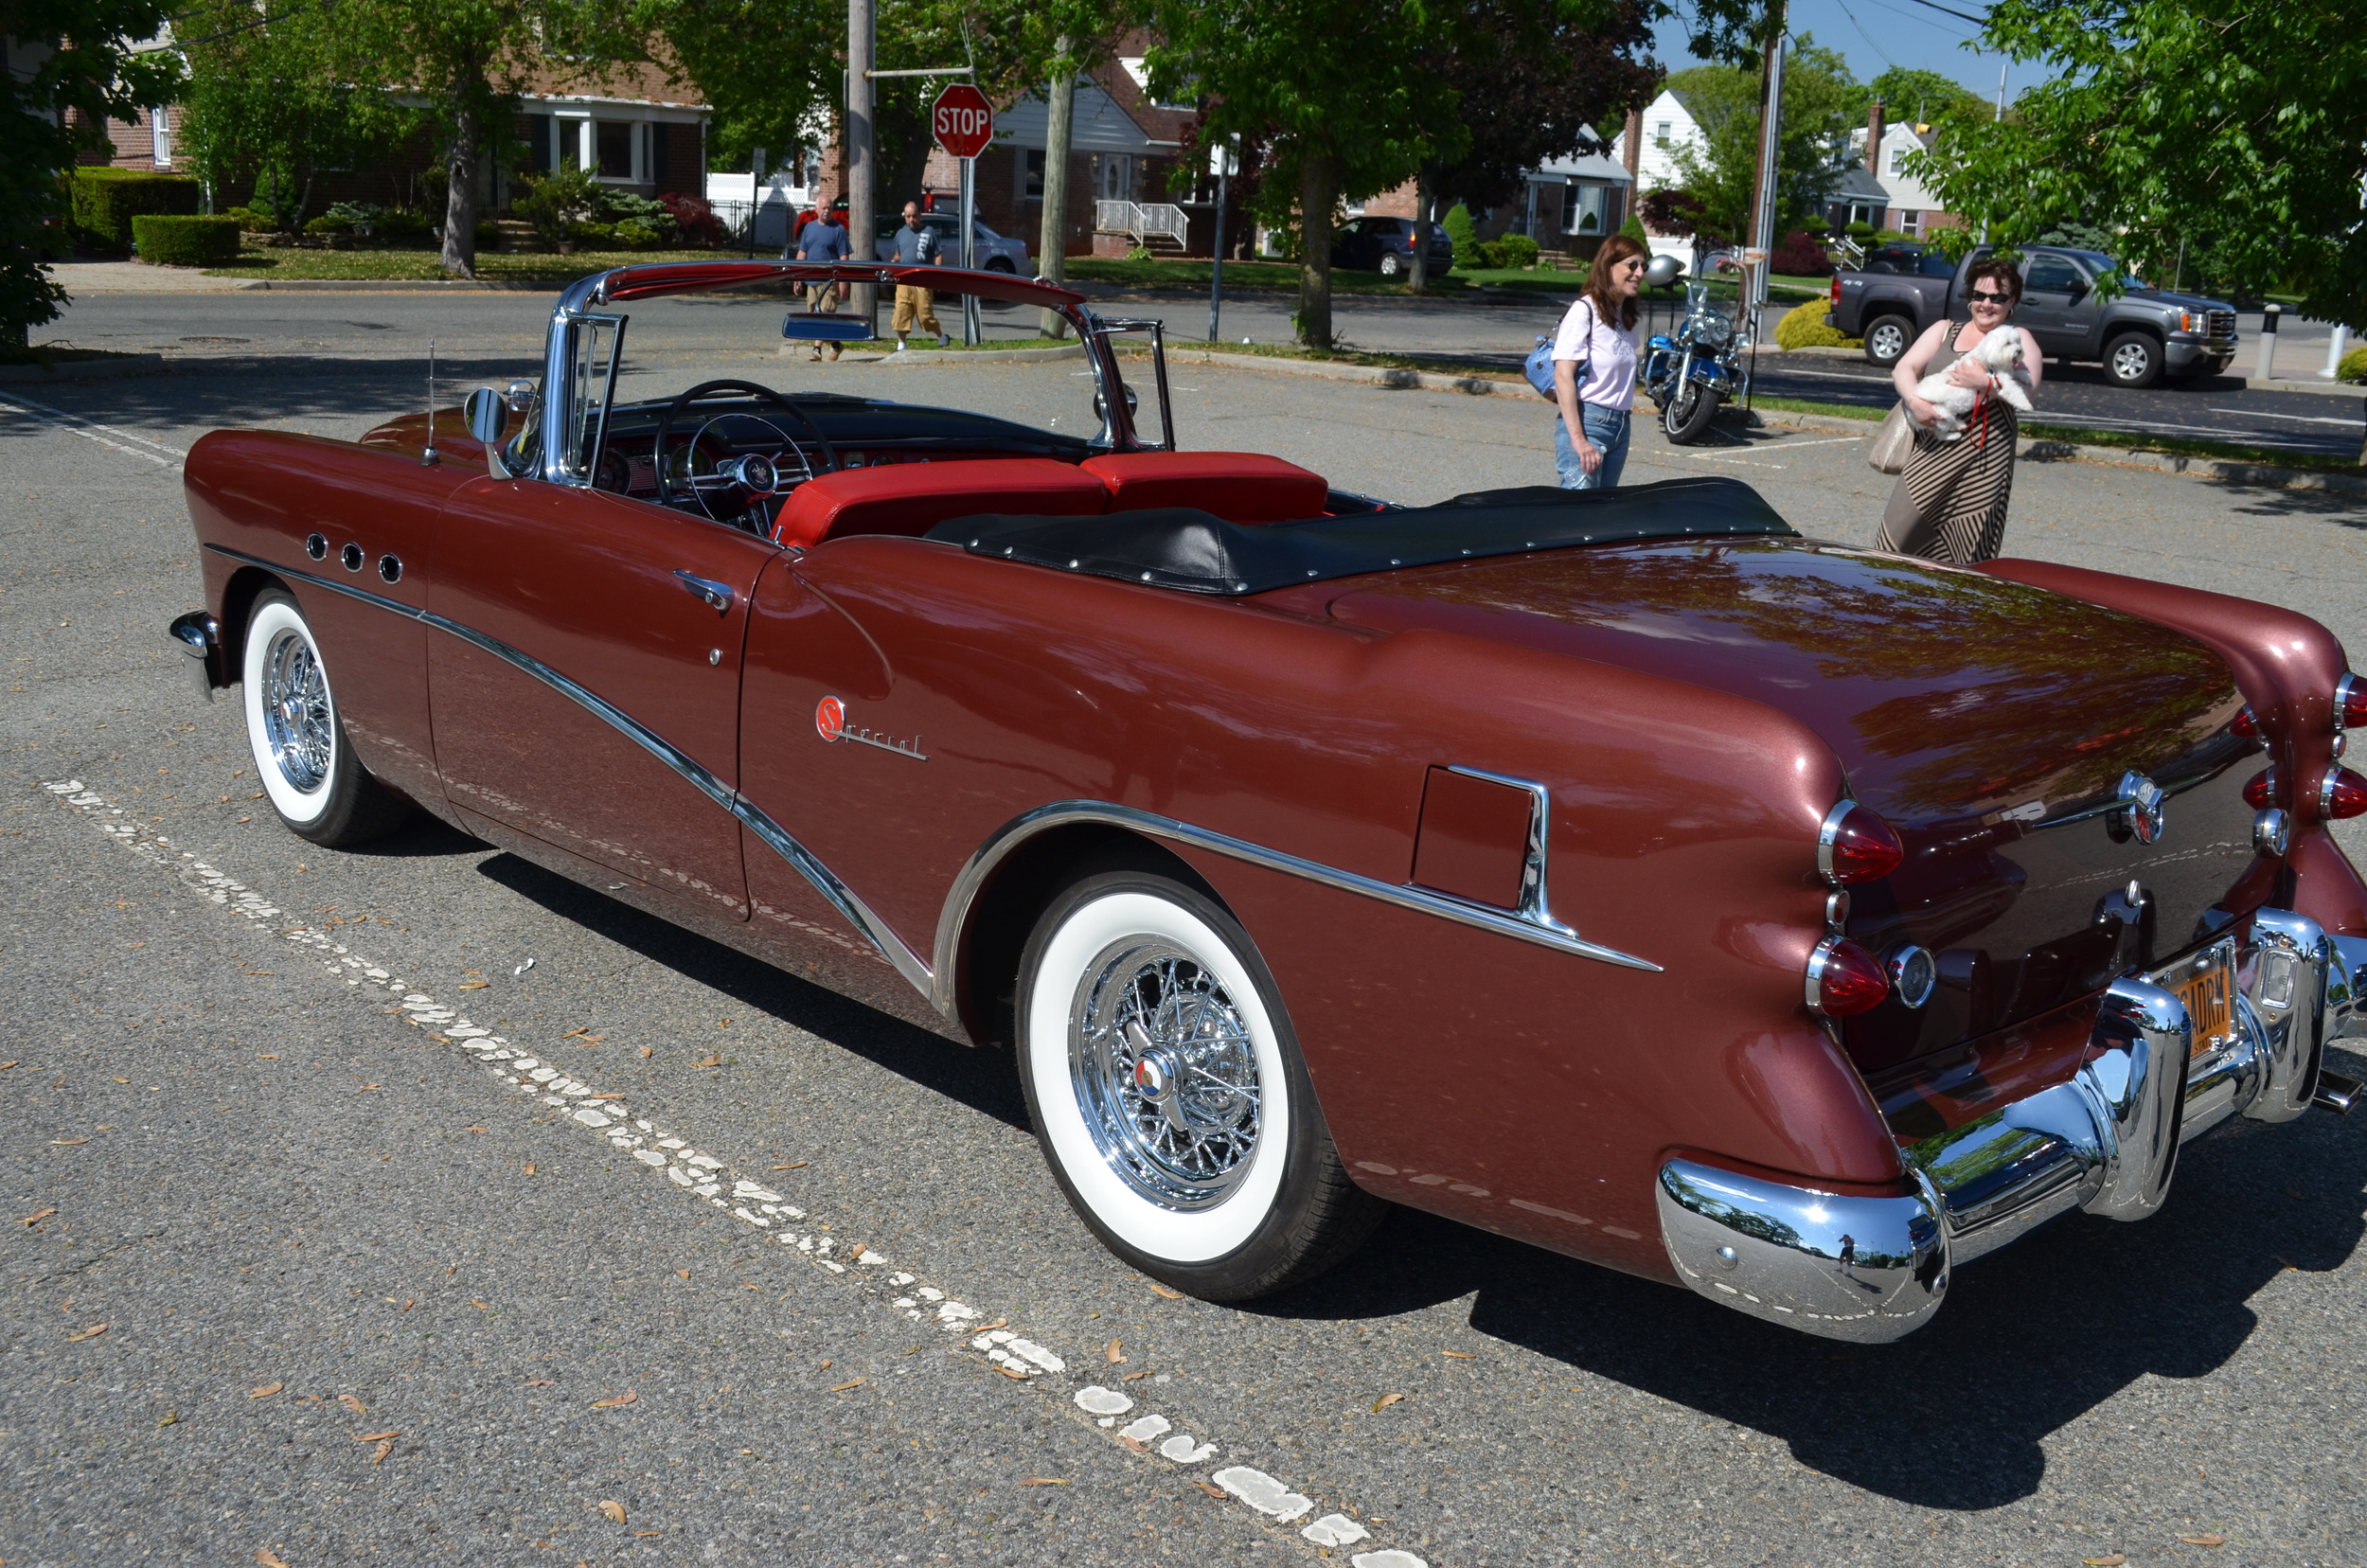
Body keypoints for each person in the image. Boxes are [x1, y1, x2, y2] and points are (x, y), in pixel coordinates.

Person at [1877, 258, 2045, 563]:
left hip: (1982, 466)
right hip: (1930, 455)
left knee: (1967, 554)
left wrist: (1983, 382)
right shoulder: (1945, 331)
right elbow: (1905, 367)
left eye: (1998, 298)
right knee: (1895, 542)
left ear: (2012, 302)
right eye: (1979, 295)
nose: (1986, 304)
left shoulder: (2017, 340)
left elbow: (2028, 393)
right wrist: (1915, 400)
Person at [1551, 234, 1647, 489]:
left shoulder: (1626, 318)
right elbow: (1562, 376)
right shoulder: (1584, 310)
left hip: (1620, 426)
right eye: (1632, 265)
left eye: (1643, 266)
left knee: (1602, 516)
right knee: (1577, 517)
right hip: (1589, 422)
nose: (1640, 273)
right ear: (1608, 266)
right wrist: (1579, 440)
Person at [794, 199, 852, 362]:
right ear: (816, 209)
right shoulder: (809, 228)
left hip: (830, 281)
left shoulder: (838, 230)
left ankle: (816, 349)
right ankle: (836, 344)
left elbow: (843, 257)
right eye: (823, 207)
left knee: (824, 314)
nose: (826, 210)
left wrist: (843, 282)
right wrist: (797, 277)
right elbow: (802, 253)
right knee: (813, 315)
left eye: (829, 208)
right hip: (811, 280)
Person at [891, 202, 950, 351]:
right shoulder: (900, 234)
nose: (911, 219)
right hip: (904, 279)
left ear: (920, 215)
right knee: (901, 312)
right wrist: (893, 263)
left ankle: (941, 336)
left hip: (922, 280)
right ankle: (901, 345)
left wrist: (937, 275)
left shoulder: (928, 231)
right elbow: (898, 255)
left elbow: (938, 254)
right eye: (908, 216)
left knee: (925, 315)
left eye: (914, 216)